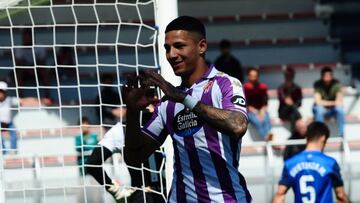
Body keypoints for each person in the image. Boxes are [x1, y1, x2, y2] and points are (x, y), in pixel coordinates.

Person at [124, 16, 252, 202]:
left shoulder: (225, 84)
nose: (171, 54)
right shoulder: (168, 102)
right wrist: (133, 112)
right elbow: (134, 158)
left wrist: (184, 98)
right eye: (167, 48)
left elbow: (238, 125)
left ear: (202, 46)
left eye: (179, 46)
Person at [273, 121, 348, 203]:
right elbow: (341, 195)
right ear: (323, 138)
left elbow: (280, 194)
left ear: (307, 137)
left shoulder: (290, 163)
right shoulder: (330, 163)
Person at [0, 81, 51, 154]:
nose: (2, 94)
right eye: (0, 91)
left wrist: (41, 101)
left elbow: (24, 101)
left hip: (8, 123)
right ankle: (3, 151)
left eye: (3, 91)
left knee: (14, 131)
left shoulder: (9, 100)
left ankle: (13, 150)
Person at [313, 67, 345, 137]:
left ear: (332, 75)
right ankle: (320, 134)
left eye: (329, 75)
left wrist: (326, 103)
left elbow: (339, 101)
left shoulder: (336, 84)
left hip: (332, 110)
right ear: (322, 76)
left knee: (340, 110)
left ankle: (342, 135)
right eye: (325, 75)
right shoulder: (318, 84)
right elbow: (318, 102)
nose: (327, 77)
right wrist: (333, 103)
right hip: (322, 109)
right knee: (319, 110)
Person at [244, 67, 273, 141]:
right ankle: (267, 137)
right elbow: (246, 104)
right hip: (250, 111)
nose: (253, 78)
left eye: (255, 76)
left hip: (261, 109)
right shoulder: (245, 88)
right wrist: (256, 112)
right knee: (257, 120)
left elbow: (265, 102)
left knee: (266, 118)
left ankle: (268, 136)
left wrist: (262, 111)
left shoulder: (263, 87)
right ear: (248, 76)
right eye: (251, 75)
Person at [277, 67, 302, 132]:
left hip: (293, 112)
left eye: (290, 76)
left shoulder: (297, 89)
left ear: (293, 76)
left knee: (293, 115)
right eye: (287, 76)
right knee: (291, 109)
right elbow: (284, 101)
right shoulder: (281, 88)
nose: (288, 77)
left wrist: (292, 104)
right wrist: (290, 103)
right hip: (283, 112)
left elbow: (299, 103)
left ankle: (293, 135)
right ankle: (299, 117)